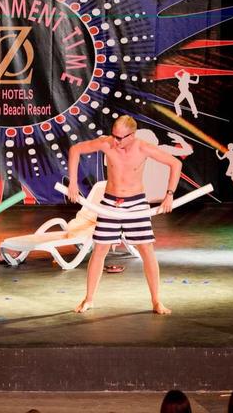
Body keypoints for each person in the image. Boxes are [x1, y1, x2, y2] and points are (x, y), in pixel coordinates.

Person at [68, 115, 181, 315]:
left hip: (136, 203)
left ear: (132, 135)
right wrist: (73, 183)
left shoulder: (143, 148)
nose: (117, 141)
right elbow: (75, 150)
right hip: (110, 203)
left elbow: (175, 164)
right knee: (100, 249)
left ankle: (156, 301)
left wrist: (169, 195)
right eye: (114, 136)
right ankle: (89, 299)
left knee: (146, 250)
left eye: (121, 138)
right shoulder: (106, 143)